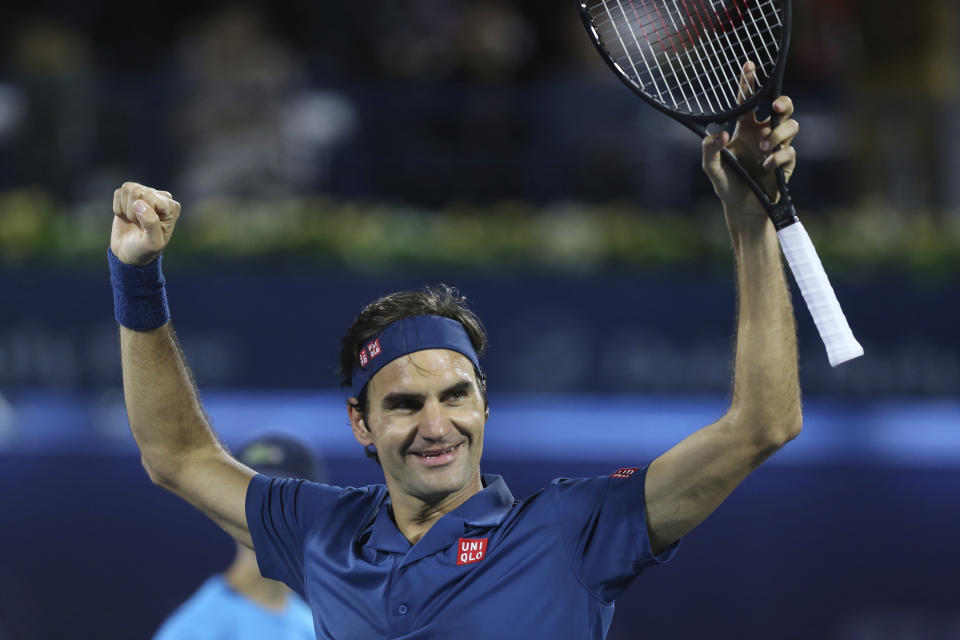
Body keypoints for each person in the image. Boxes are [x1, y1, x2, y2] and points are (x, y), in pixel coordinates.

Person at [108, 63, 801, 639]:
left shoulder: (572, 529)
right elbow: (177, 455)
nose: (437, 426)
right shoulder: (319, 531)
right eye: (405, 404)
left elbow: (763, 424)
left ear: (484, 403)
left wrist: (750, 224)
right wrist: (137, 277)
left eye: (455, 395)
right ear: (361, 424)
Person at [152, 435, 320, 640]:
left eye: (284, 500)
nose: (265, 514)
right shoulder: (195, 631)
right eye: (251, 499)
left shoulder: (313, 627)